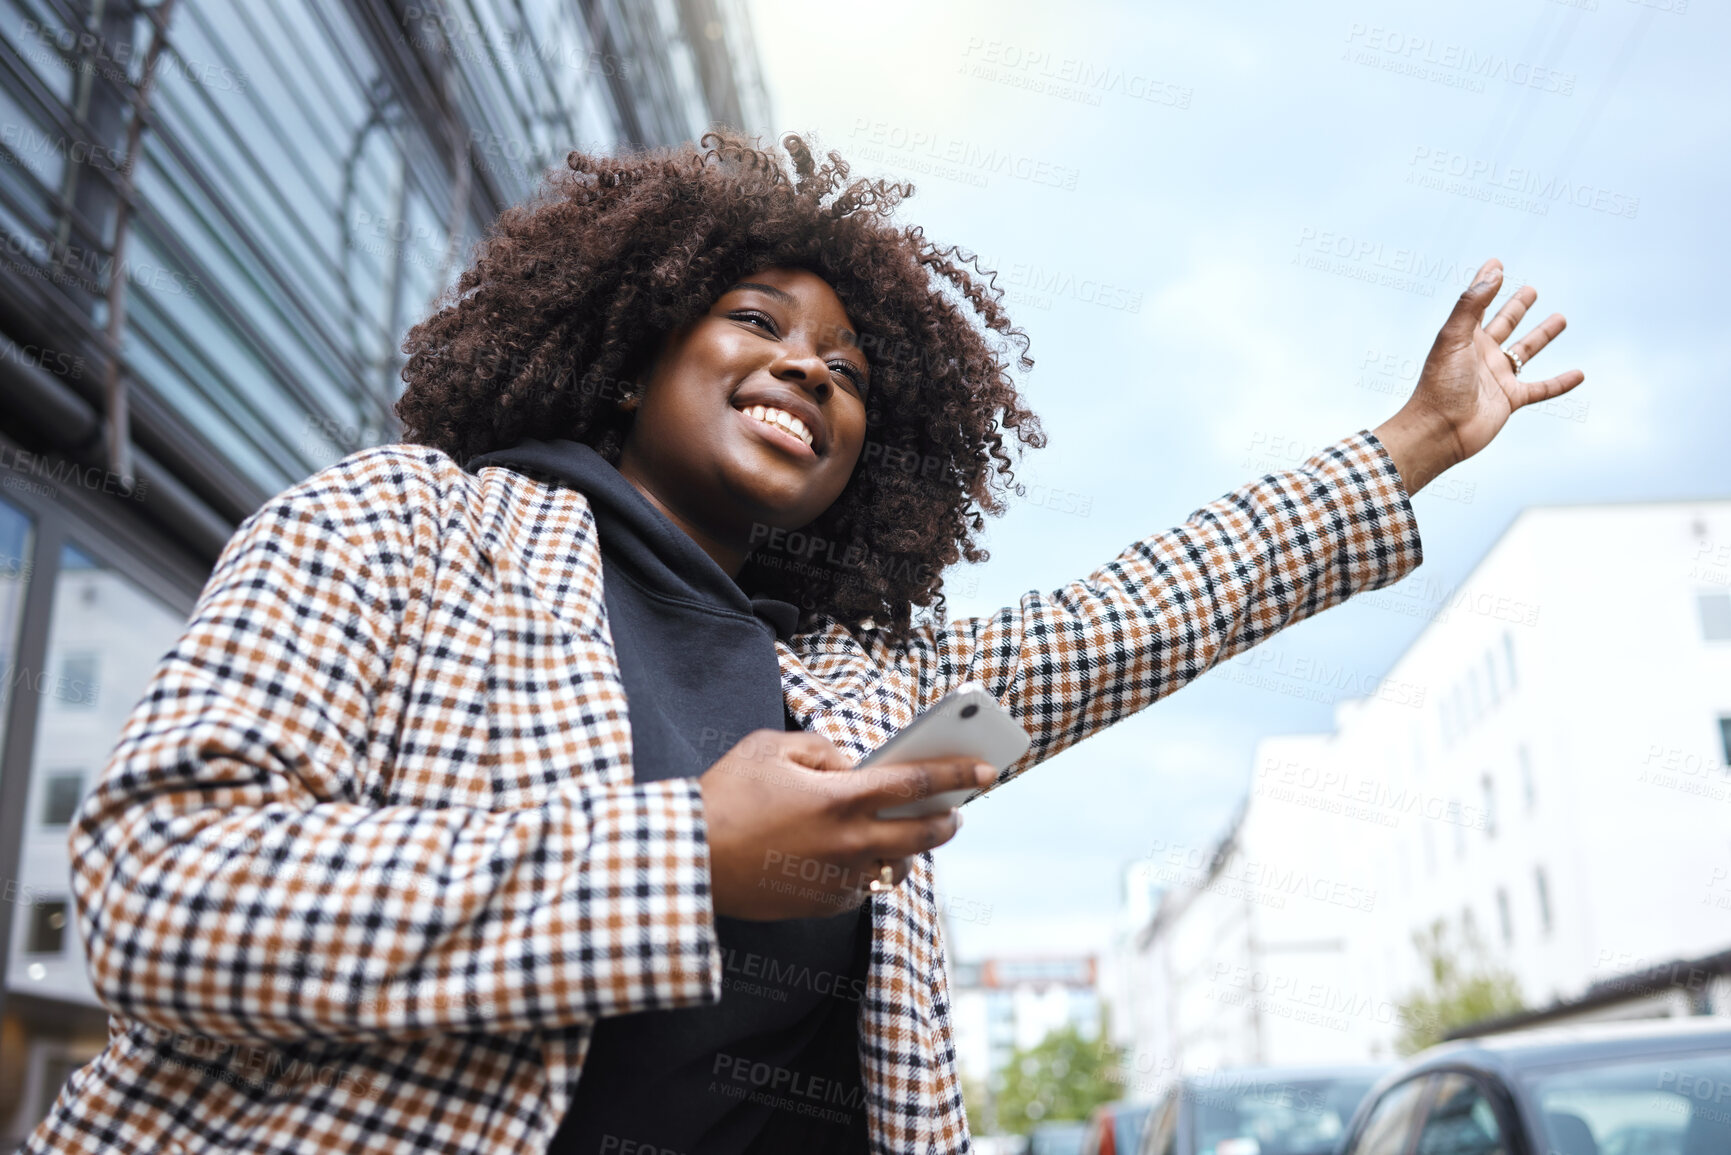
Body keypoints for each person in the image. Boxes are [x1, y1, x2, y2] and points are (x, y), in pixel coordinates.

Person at [26, 132, 1580, 1154]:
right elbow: (161, 896)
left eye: (845, 365)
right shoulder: (402, 529)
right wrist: (686, 859)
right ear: (632, 351)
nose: (807, 369)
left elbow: (1134, 614)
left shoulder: (860, 684)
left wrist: (1412, 445)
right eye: (756, 320)